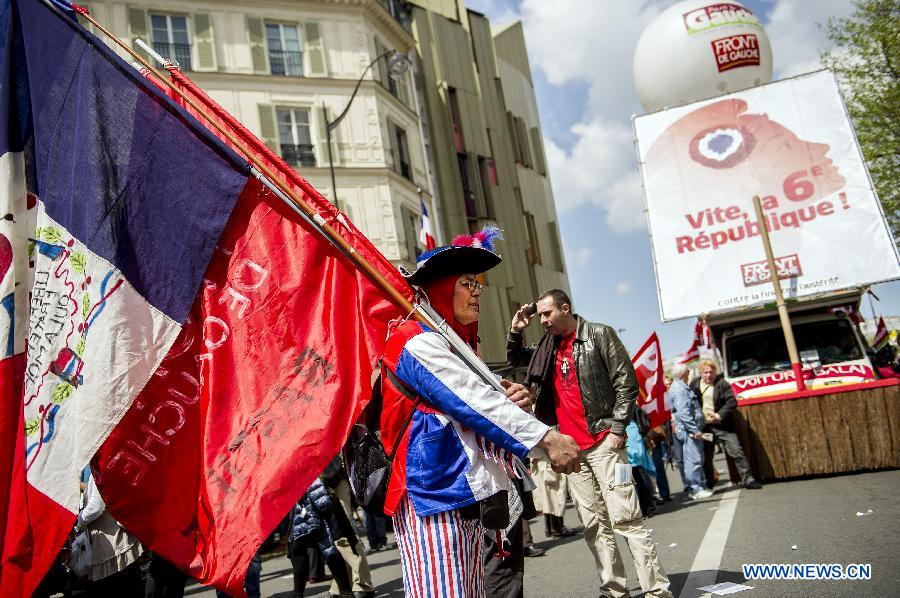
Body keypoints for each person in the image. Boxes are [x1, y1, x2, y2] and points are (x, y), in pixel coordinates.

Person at [380, 227, 581, 598]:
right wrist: (545, 437)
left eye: (479, 285)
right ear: (440, 286)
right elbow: (473, 402)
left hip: (464, 494)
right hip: (434, 495)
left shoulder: (449, 343)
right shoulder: (414, 340)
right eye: (467, 283)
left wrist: (509, 395)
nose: (477, 293)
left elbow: (479, 396)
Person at [508, 290, 672, 598]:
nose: (542, 321)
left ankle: (657, 590)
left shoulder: (599, 334)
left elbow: (626, 382)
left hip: (606, 445)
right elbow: (517, 359)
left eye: (547, 314)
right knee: (593, 523)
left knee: (626, 517)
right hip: (573, 452)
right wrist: (516, 331)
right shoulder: (547, 347)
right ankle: (614, 588)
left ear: (565, 309)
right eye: (540, 315)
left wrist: (618, 429)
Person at [690, 360, 762, 490]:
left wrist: (719, 415)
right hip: (705, 427)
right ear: (701, 373)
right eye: (705, 372)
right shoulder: (694, 384)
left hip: (722, 426)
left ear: (715, 372)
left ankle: (748, 479)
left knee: (736, 451)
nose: (708, 375)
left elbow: (731, 402)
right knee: (706, 455)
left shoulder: (722, 384)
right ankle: (709, 481)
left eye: (711, 372)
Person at [75, 472, 146, 597]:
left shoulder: (100, 470)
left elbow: (96, 507)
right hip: (112, 546)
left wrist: (77, 520)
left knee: (116, 587)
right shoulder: (101, 468)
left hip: (113, 546)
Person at [287, 478, 354, 598]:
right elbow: (323, 502)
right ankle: (345, 592)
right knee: (328, 553)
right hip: (312, 518)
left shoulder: (293, 473)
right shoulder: (303, 471)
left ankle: (298, 593)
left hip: (306, 518)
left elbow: (321, 498)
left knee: (303, 552)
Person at [668, 364, 712, 500]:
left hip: (689, 429)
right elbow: (684, 412)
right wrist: (694, 429)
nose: (689, 373)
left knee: (696, 458)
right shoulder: (679, 388)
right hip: (689, 430)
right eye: (687, 371)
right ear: (682, 374)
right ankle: (695, 489)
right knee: (693, 460)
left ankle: (698, 486)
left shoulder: (680, 387)